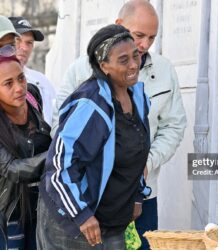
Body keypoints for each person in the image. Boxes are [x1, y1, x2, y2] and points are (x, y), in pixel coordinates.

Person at [51, 1, 187, 249]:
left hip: (141, 197)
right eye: (139, 36)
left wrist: (146, 165)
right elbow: (60, 134)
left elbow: (173, 126)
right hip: (93, 201)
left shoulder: (160, 74)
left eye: (151, 38)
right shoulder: (81, 73)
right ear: (119, 26)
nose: (144, 45)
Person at [36, 24, 151, 250]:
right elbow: (59, 165)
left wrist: (138, 194)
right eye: (123, 60)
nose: (133, 65)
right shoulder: (91, 105)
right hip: (73, 224)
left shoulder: (137, 97)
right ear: (104, 65)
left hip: (112, 221)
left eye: (135, 56)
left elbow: (136, 150)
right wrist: (81, 214)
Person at [0, 55, 51, 250]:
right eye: (8, 83)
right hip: (10, 213)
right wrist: (58, 154)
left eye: (21, 78)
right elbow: (12, 169)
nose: (19, 87)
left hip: (42, 206)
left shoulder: (32, 96)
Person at [9, 16, 56, 126]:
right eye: (18, 40)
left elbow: (56, 116)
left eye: (29, 42)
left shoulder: (42, 80)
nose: (24, 48)